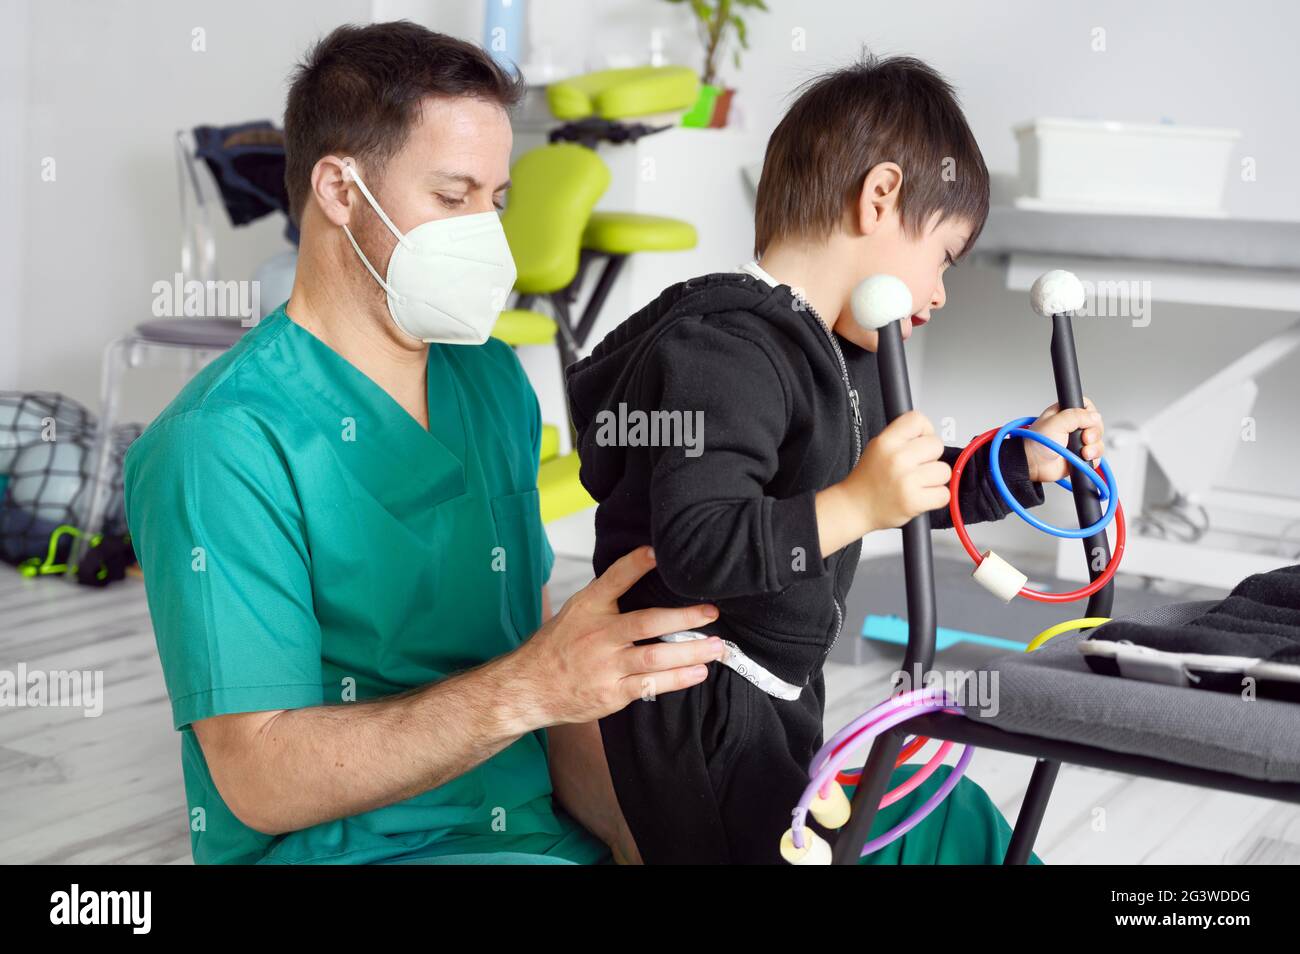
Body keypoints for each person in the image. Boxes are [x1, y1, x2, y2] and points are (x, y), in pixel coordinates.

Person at [124, 21, 723, 865]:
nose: (487, 231)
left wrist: (659, 843)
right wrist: (528, 690)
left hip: (533, 832)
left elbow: (543, 678)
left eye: (497, 199)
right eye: (452, 197)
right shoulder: (219, 446)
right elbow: (258, 779)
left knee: (920, 821)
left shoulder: (489, 380)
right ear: (339, 190)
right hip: (355, 853)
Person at [565, 54, 1106, 864]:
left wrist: (1019, 464)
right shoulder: (722, 350)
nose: (941, 293)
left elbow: (899, 479)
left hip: (774, 696)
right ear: (879, 197)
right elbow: (699, 540)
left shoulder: (844, 355)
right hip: (689, 709)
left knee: (920, 819)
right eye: (945, 258)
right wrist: (856, 504)